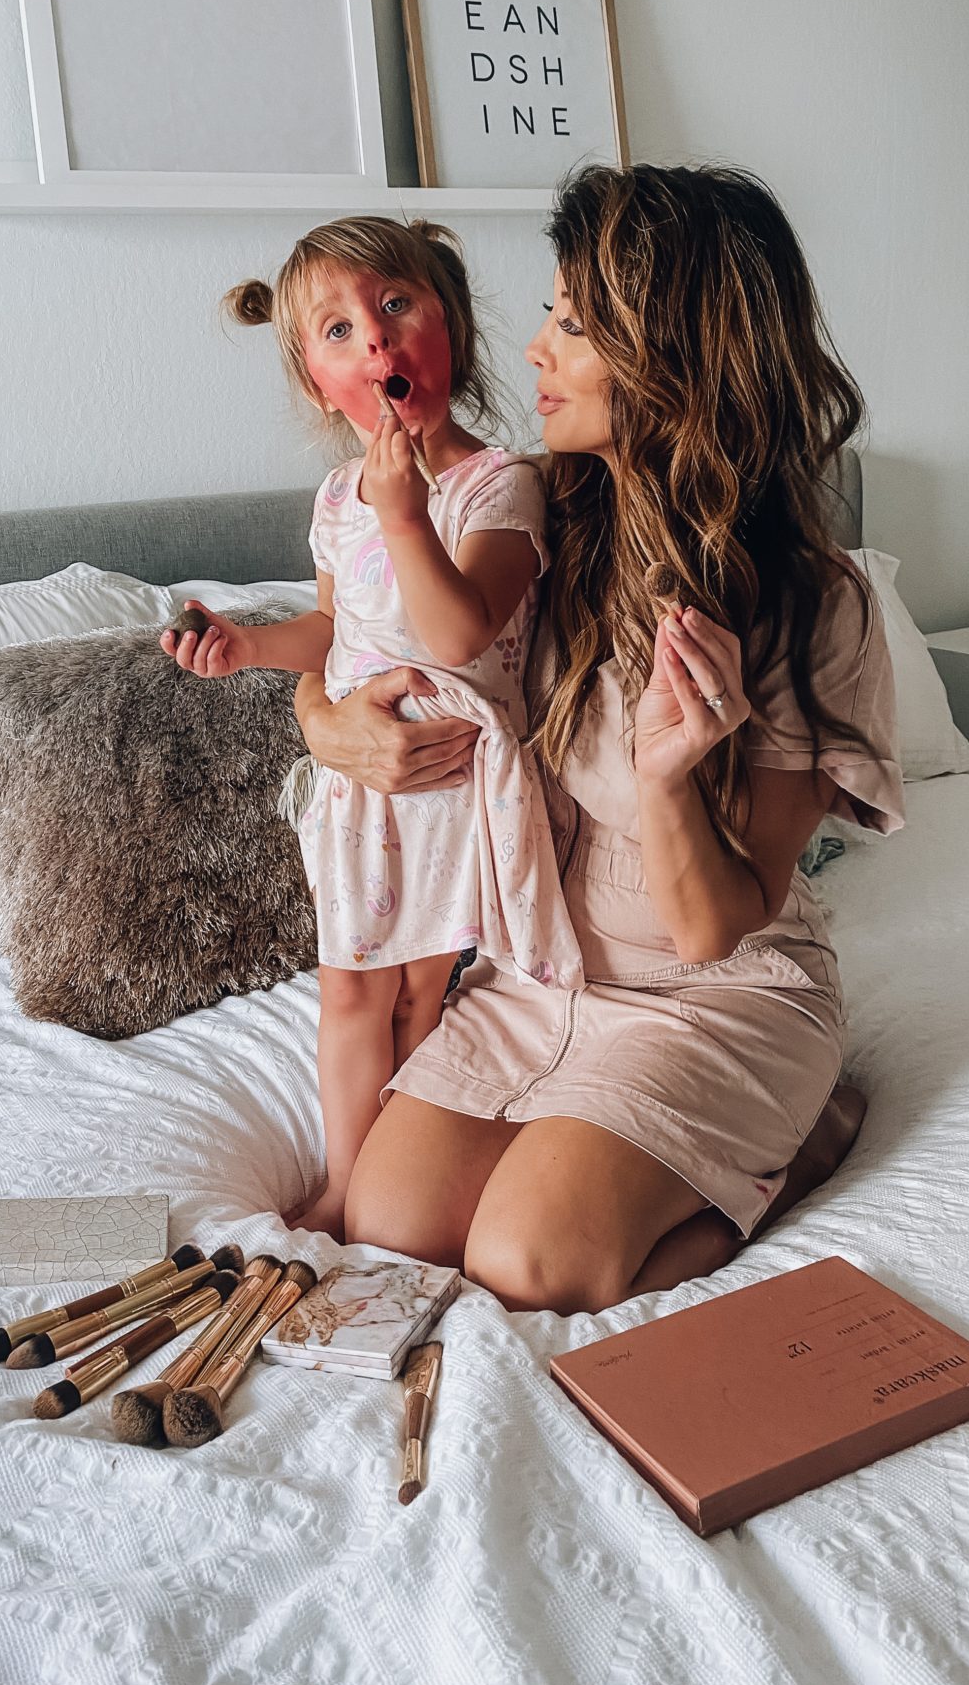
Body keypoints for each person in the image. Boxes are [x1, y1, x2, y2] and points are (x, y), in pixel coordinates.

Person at [294, 164, 905, 1312]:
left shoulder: (815, 607)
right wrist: (325, 723)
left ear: (671, 354)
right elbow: (357, 631)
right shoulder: (533, 517)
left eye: (573, 325)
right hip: (545, 969)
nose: (533, 350)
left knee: (527, 1262)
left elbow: (719, 920)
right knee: (391, 1222)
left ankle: (795, 1143)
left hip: (718, 990)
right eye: (551, 315)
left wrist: (669, 776)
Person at [162, 216, 580, 1241]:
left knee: (419, 994)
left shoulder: (500, 485)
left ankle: (403, 1172)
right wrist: (250, 648)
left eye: (397, 306)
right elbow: (334, 628)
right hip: (360, 793)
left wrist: (407, 515)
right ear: (318, 381)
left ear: (455, 333)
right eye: (340, 330)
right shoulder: (340, 497)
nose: (377, 343)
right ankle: (350, 1183)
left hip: (449, 787)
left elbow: (462, 629)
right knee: (352, 989)